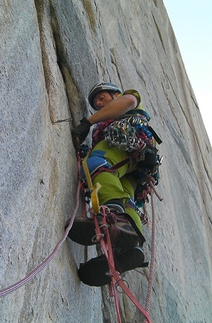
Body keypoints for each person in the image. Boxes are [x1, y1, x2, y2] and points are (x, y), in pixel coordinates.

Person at [69, 82, 160, 286]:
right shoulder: (105, 124)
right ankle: (126, 248)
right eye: (95, 103)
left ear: (115, 94)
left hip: (126, 140)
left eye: (102, 98)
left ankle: (113, 219)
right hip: (136, 166)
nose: (99, 104)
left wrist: (87, 122)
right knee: (124, 198)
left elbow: (127, 102)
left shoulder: (128, 97)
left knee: (96, 165)